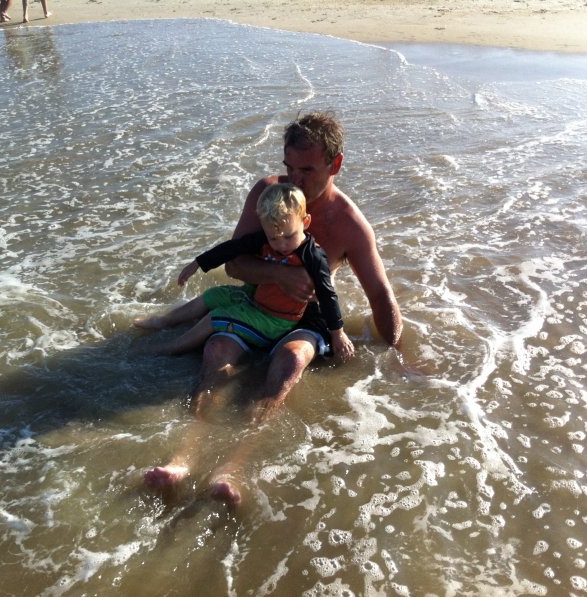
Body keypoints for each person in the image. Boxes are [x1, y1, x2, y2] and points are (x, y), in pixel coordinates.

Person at [145, 111, 402, 505]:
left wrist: (396, 353)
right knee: (215, 351)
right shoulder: (268, 195)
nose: (293, 180)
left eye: (307, 170)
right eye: (289, 167)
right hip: (260, 300)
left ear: (335, 164)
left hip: (306, 316)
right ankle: (184, 457)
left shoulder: (350, 224)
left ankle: (233, 467)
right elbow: (235, 263)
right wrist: (278, 275)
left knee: (289, 362)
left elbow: (380, 294)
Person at [134, 183, 354, 362]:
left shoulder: (313, 255)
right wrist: (198, 263)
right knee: (213, 295)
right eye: (274, 238)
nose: (281, 245)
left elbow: (327, 295)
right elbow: (234, 248)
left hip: (275, 322)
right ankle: (163, 321)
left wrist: (338, 334)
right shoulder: (267, 238)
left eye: (288, 236)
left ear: (305, 222)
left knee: (215, 317)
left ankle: (171, 348)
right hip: (255, 300)